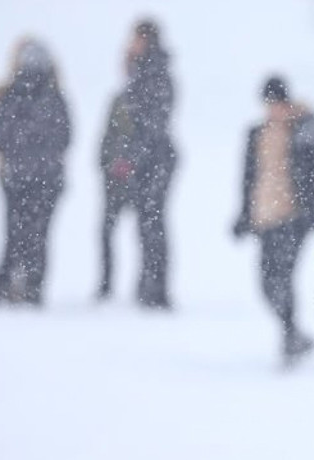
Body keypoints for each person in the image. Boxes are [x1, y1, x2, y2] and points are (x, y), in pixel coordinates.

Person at [232, 76, 314, 365]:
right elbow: (248, 178)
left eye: (276, 103)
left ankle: (290, 337)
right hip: (264, 217)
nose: (272, 109)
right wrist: (242, 216)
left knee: (284, 278)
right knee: (266, 282)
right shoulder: (256, 133)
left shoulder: (305, 128)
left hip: (294, 216)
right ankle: (292, 332)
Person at [0, 38, 71, 309]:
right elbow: (65, 137)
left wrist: (17, 154)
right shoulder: (52, 96)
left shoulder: (10, 94)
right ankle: (30, 289)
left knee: (15, 235)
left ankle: (5, 289)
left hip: (16, 178)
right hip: (45, 179)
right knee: (37, 236)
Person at [97, 19, 177, 309]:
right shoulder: (145, 72)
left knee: (151, 225)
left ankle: (155, 289)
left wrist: (132, 156)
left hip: (153, 161)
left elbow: (151, 125)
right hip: (148, 160)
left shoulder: (153, 74)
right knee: (148, 225)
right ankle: (150, 287)